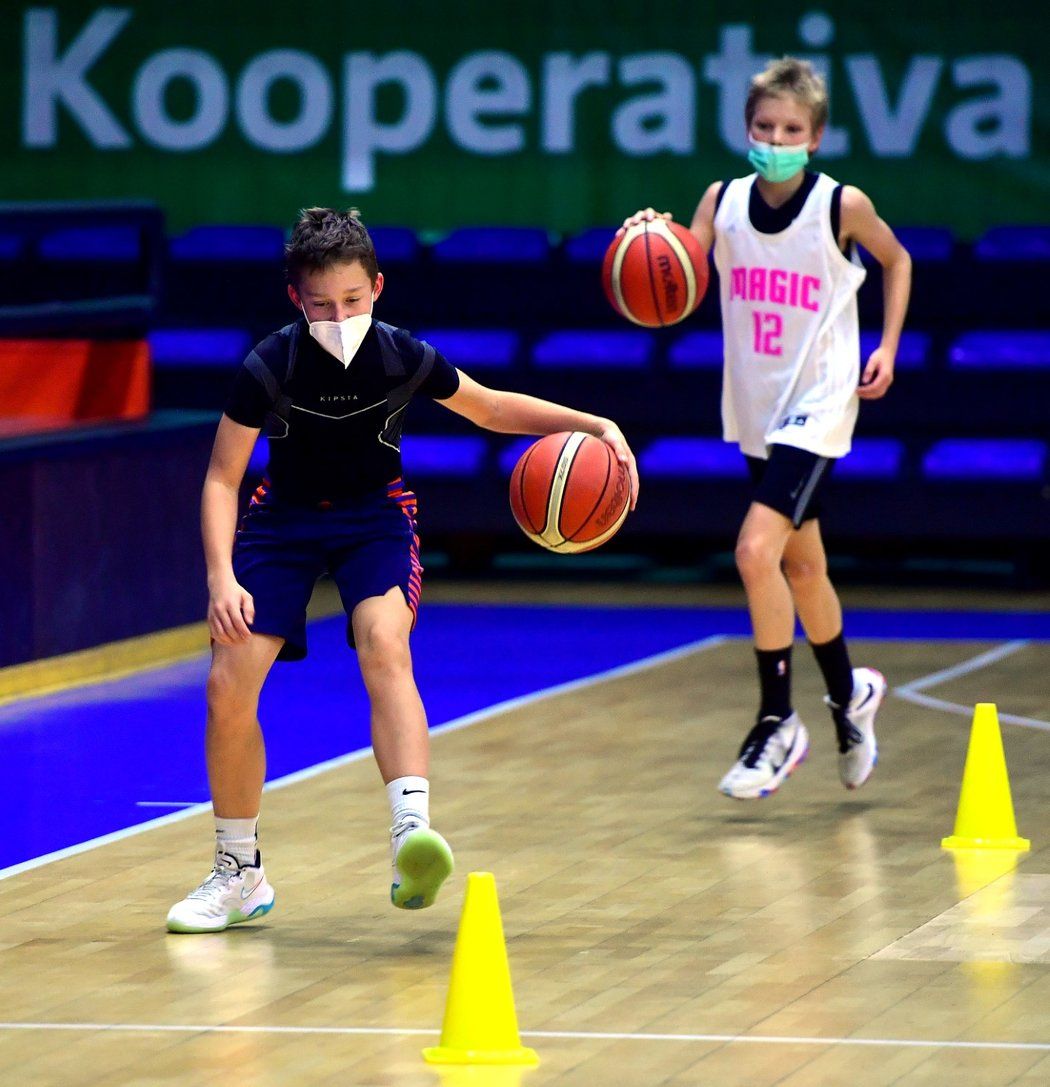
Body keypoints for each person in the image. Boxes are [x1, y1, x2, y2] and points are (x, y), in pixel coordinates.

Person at [166, 207, 639, 932]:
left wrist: (592, 424)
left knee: (385, 640)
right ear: (296, 300)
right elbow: (222, 478)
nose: (339, 315)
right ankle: (239, 871)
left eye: (352, 300)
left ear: (377, 288)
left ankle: (409, 836)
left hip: (374, 516)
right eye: (322, 305)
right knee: (228, 678)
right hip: (283, 519)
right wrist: (220, 576)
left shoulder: (399, 355)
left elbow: (489, 409)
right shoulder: (270, 364)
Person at [624, 57, 911, 800]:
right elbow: (677, 278)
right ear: (746, 129)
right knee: (803, 566)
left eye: (791, 129)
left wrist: (886, 345)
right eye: (763, 126)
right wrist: (646, 237)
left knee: (755, 550)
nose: (775, 138)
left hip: (818, 401)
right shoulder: (721, 201)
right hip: (754, 405)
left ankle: (777, 720)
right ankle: (851, 694)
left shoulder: (840, 205)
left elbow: (898, 259)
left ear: (815, 137)